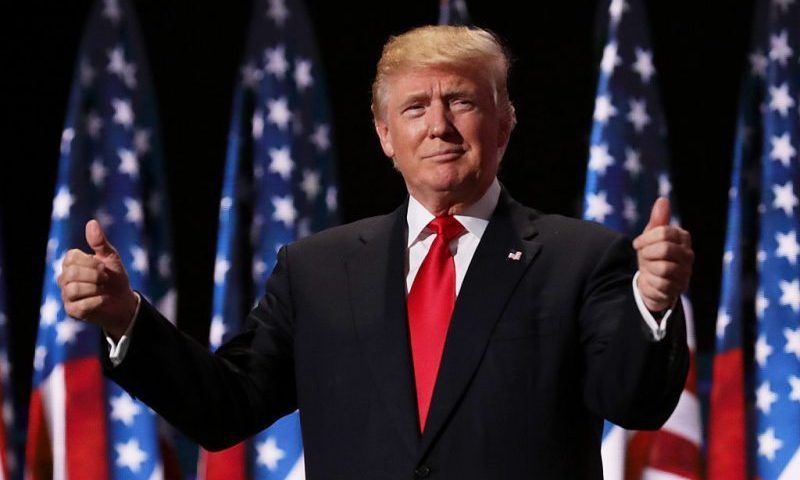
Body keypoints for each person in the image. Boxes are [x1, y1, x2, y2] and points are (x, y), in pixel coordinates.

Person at [58, 25, 693, 479]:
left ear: (504, 123)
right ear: (386, 135)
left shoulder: (580, 257)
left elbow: (632, 402)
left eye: (462, 101)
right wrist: (124, 320)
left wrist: (654, 306)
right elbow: (226, 408)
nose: (439, 126)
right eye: (416, 107)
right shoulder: (316, 269)